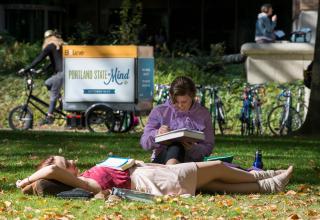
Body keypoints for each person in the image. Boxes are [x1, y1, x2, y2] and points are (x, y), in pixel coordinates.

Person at [16, 155, 293, 196]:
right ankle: (266, 176)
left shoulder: (86, 174)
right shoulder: (85, 182)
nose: (74, 162)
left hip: (155, 174)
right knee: (218, 167)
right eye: (69, 163)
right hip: (155, 181)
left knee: (216, 183)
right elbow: (51, 171)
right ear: (64, 172)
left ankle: (269, 184)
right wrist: (24, 181)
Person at [140, 76, 214, 165]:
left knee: (178, 147)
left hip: (191, 162)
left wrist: (193, 148)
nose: (180, 105)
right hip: (162, 161)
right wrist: (157, 133)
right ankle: (173, 174)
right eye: (176, 101)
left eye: (184, 102)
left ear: (193, 97)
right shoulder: (159, 111)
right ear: (171, 96)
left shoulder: (203, 114)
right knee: (176, 147)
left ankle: (172, 175)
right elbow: (144, 143)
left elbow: (208, 147)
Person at [19, 30, 65, 125]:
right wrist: (42, 70)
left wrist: (26, 69)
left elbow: (39, 58)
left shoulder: (50, 45)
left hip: (61, 73)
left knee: (53, 94)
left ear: (47, 39)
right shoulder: (58, 45)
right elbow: (54, 61)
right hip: (63, 73)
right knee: (47, 83)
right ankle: (60, 102)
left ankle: (49, 117)